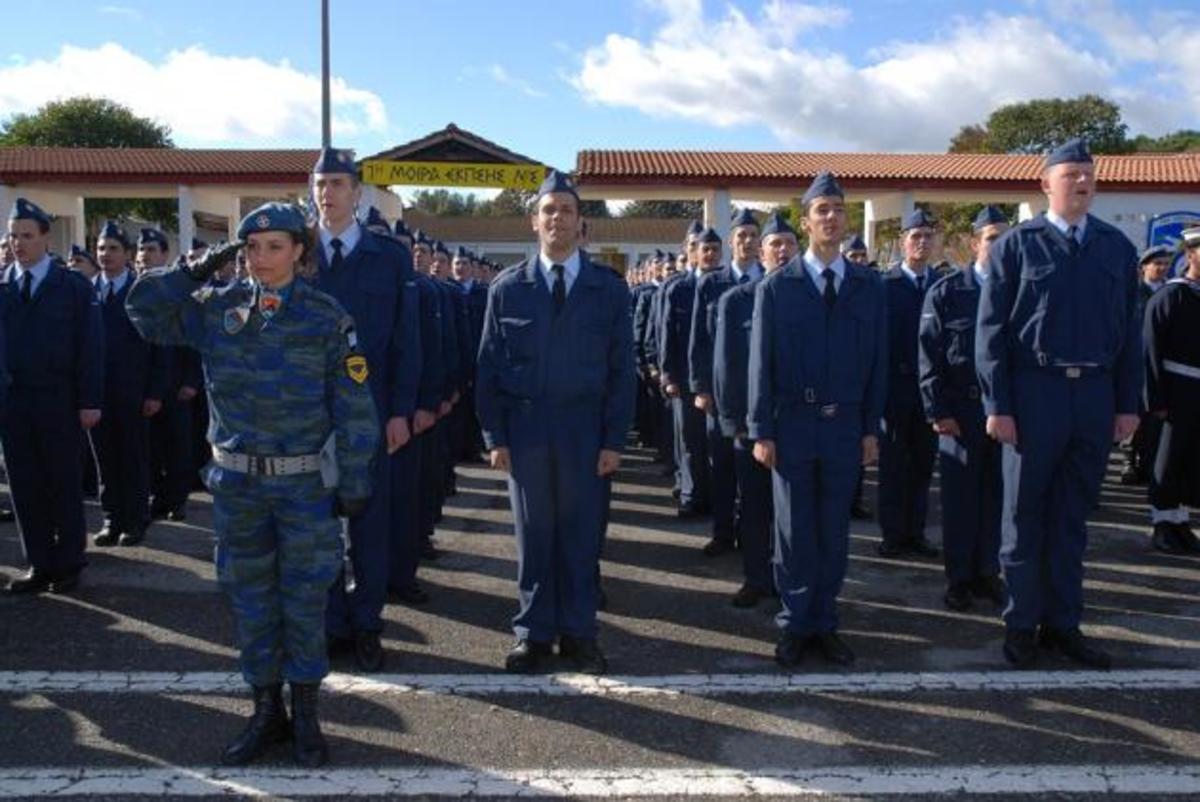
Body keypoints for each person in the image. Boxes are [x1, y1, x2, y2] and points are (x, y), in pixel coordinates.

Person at [127, 202, 379, 767]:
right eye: (251, 248)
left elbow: (354, 404)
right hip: (238, 487)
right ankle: (266, 712)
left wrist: (357, 478)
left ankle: (307, 717)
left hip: (303, 486)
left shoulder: (325, 317)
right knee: (250, 600)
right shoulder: (217, 309)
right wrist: (193, 269)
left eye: (274, 247)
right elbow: (142, 311)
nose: (261, 258)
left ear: (298, 252)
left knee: (305, 600)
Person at [977, 138, 1141, 670]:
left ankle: (1064, 624)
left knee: (1073, 519)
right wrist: (997, 404)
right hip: (1034, 395)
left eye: (1089, 175)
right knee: (1024, 518)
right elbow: (992, 333)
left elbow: (1130, 334)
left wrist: (1126, 403)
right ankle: (1021, 624)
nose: (1082, 182)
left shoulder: (1116, 248)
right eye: (1071, 174)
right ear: (1045, 184)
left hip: (1093, 395)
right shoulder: (1017, 246)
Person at [476, 170, 635, 675]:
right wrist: (494, 435)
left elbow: (621, 371)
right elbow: (488, 368)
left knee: (581, 537)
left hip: (585, 432)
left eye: (566, 210)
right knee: (534, 536)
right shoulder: (508, 290)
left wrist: (614, 439)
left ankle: (580, 633)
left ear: (580, 223)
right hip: (526, 431)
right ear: (534, 221)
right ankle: (534, 634)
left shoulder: (607, 290)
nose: (557, 218)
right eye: (549, 210)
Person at [749, 172, 887, 667]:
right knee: (794, 531)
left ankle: (824, 622)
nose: (831, 217)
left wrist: (872, 427)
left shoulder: (868, 287)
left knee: (834, 530)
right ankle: (794, 622)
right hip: (793, 425)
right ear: (806, 222)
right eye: (821, 210)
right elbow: (759, 364)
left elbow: (877, 362)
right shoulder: (777, 287)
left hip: (845, 425)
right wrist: (761, 429)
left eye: (837, 209)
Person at [310, 147, 422, 673]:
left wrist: (401, 410)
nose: (326, 193)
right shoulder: (298, 251)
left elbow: (406, 341)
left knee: (370, 522)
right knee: (318, 522)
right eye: (319, 184)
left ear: (357, 192)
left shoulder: (389, 257)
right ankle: (332, 623)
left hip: (371, 409)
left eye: (336, 183)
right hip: (307, 411)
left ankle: (367, 622)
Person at [2, 198, 103, 594]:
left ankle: (70, 563)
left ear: (45, 237)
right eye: (12, 236)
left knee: (62, 482)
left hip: (59, 400)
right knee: (24, 486)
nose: (18, 244)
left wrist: (90, 400)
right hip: (13, 402)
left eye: (26, 236)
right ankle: (39, 563)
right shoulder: (3, 285)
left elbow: (90, 347)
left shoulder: (73, 286)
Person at [919, 206, 1008, 612]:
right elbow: (928, 356)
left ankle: (986, 571)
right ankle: (958, 578)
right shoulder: (948, 291)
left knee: (996, 498)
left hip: (1005, 414)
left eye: (1005, 237)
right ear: (975, 244)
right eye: (991, 237)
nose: (999, 244)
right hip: (961, 412)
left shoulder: (1018, 289)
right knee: (959, 502)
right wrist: (938, 410)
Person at [714, 212, 795, 607]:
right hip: (752, 424)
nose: (782, 250)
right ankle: (757, 577)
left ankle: (789, 579)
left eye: (789, 243)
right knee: (755, 504)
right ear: (761, 251)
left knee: (793, 510)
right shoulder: (736, 301)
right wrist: (735, 424)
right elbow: (726, 367)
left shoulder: (810, 297)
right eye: (774, 244)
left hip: (798, 422)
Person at [91, 221, 169, 548]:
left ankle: (135, 520)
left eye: (112, 249)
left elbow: (159, 347)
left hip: (134, 392)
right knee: (105, 459)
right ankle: (112, 517)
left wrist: (154, 392)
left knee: (133, 458)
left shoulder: (142, 292)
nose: (105, 254)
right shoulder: (86, 291)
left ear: (126, 254)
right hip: (96, 394)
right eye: (101, 249)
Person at [691, 210, 762, 556]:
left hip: (757, 392)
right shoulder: (711, 283)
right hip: (720, 392)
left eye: (752, 235)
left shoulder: (771, 281)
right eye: (741, 235)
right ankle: (722, 532)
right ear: (731, 242)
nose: (747, 241)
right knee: (722, 466)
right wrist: (701, 386)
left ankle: (752, 534)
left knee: (753, 470)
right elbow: (699, 340)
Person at [878, 209, 941, 559]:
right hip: (895, 388)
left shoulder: (942, 285)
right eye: (915, 236)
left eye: (927, 236)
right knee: (893, 465)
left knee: (922, 465)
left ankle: (916, 531)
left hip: (929, 392)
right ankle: (892, 533)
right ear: (902, 243)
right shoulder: (884, 286)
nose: (921, 242)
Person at [1142, 226, 1200, 555]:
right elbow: (1150, 350)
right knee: (1166, 461)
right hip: (1174, 391)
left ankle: (1180, 521)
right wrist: (1155, 400)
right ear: (1190, 255)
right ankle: (1162, 523)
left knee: (1191, 460)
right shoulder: (1170, 296)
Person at [138, 228, 201, 522]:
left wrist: (191, 380)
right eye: (142, 250)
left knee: (178, 447)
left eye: (151, 249)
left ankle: (177, 500)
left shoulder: (178, 288)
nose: (145, 255)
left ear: (164, 254)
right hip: (145, 383)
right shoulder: (135, 289)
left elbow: (193, 339)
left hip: (176, 383)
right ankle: (156, 498)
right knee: (151, 447)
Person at [661, 228, 712, 518]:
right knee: (690, 442)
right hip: (683, 376)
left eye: (705, 246)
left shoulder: (722, 284)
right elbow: (666, 333)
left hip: (712, 380)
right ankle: (692, 495)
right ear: (688, 250)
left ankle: (714, 495)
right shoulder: (677, 288)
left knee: (715, 444)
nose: (700, 251)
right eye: (693, 245)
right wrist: (668, 375)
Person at [1121, 245, 1173, 486]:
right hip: (1136, 362)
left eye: (1165, 264)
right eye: (1157, 263)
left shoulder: (1173, 292)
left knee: (1157, 415)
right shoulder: (1131, 293)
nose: (1162, 268)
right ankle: (1129, 460)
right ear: (1143, 267)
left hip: (1164, 363)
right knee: (1134, 411)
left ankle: (1149, 461)